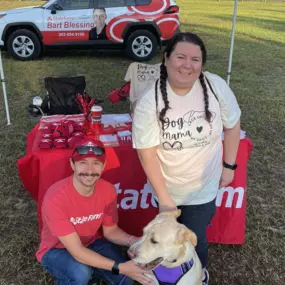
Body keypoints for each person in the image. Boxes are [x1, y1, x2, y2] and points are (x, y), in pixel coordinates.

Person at [132, 32, 241, 285]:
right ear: (166, 59)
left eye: (195, 59)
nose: (187, 65)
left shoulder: (215, 86)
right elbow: (146, 153)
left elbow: (232, 125)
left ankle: (198, 278)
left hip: (204, 186)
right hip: (167, 186)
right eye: (180, 57)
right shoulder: (151, 101)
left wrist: (229, 165)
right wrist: (166, 201)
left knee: (196, 238)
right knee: (161, 241)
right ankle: (165, 277)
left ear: (202, 64)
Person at [36, 138, 152, 285]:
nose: (89, 171)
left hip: (91, 243)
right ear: (72, 164)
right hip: (57, 249)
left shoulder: (108, 190)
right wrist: (120, 267)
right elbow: (77, 251)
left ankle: (93, 267)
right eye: (83, 163)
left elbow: (111, 232)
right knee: (81, 274)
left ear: (103, 166)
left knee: (126, 280)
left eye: (96, 163)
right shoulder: (55, 198)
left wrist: (135, 242)